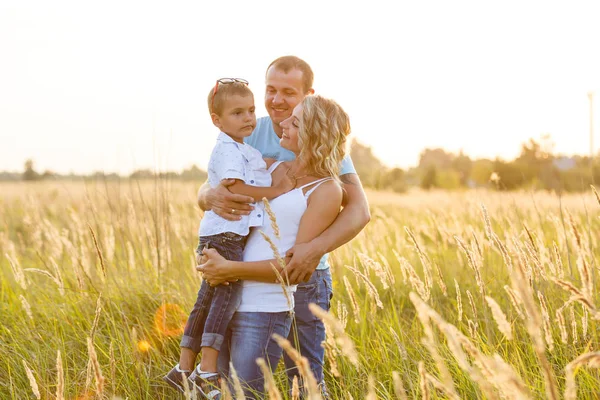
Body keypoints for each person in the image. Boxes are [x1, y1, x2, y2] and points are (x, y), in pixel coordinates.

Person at [197, 56, 370, 394]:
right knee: (234, 375)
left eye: (288, 93)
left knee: (301, 376)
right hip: (244, 274)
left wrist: (311, 251)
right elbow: (213, 184)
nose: (277, 101)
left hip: (301, 274)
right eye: (271, 90)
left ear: (309, 95)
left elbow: (358, 209)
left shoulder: (323, 136)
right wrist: (207, 196)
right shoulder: (247, 128)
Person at [164, 78, 294, 397]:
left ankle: (183, 368)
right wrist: (274, 191)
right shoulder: (227, 149)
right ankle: (206, 371)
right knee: (223, 298)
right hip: (224, 236)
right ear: (217, 121)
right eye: (238, 113)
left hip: (224, 234)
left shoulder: (242, 147)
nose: (249, 118)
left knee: (207, 299)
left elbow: (259, 164)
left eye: (250, 110)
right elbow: (233, 188)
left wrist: (277, 165)